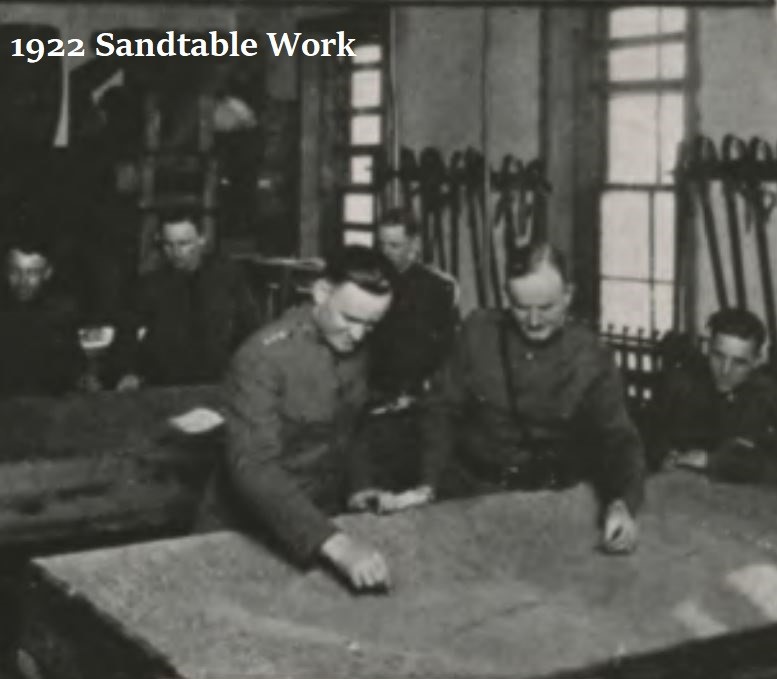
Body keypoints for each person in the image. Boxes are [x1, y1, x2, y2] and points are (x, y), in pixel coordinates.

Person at [418, 241, 646, 554]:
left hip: (548, 503)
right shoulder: (478, 332)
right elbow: (440, 410)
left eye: (547, 308)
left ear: (568, 295)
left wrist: (622, 503)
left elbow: (618, 440)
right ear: (506, 295)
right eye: (521, 307)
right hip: (472, 495)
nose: (534, 321)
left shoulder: (590, 355)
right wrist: (428, 483)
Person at [197, 245, 396, 591]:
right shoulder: (263, 357)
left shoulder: (355, 346)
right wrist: (338, 545)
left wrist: (360, 486)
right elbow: (254, 466)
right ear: (321, 292)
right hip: (245, 529)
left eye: (371, 325)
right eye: (350, 319)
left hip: (317, 525)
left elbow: (350, 425)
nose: (358, 335)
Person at [349, 210, 459, 514]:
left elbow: (446, 351)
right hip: (371, 396)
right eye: (381, 244)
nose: (386, 252)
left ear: (415, 244)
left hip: (417, 401)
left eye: (395, 245)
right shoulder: (367, 283)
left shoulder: (437, 288)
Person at [114, 211, 261, 389]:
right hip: (164, 382)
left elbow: (250, 328)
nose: (176, 252)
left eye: (184, 243)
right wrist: (127, 372)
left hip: (219, 380)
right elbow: (126, 333)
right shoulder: (150, 285)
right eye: (169, 244)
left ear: (201, 239)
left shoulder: (227, 277)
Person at [652, 308, 777, 483]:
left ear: (757, 361)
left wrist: (712, 462)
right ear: (708, 348)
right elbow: (647, 436)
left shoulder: (769, 399)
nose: (725, 371)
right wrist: (663, 457)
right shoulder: (683, 386)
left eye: (739, 362)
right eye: (718, 356)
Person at [0, 233, 84, 398]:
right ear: (5, 271)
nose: (23, 281)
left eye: (32, 272)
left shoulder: (64, 312)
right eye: (15, 271)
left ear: (47, 273)